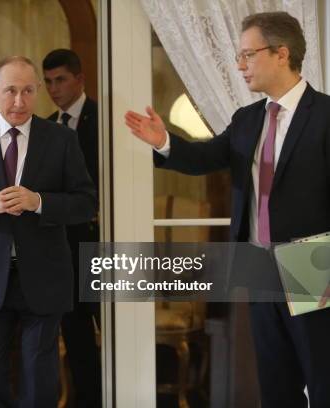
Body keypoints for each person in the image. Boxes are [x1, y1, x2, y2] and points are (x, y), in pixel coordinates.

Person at [125, 12, 330, 408]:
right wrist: (164, 141)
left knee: (322, 380)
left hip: (312, 263)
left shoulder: (325, 116)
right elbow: (204, 158)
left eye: (247, 55)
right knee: (275, 382)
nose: (239, 66)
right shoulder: (247, 118)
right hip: (256, 263)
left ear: (281, 54)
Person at [0, 55, 97, 407]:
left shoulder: (60, 140)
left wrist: (39, 201)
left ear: (37, 90)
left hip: (45, 276)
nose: (19, 101)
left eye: (27, 91)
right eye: (10, 91)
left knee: (40, 380)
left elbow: (86, 202)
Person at [43, 48, 101, 408]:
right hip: (63, 246)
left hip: (103, 240)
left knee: (116, 330)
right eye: (48, 82)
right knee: (76, 335)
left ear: (79, 79)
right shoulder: (46, 127)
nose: (53, 88)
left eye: (60, 79)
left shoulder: (104, 119)